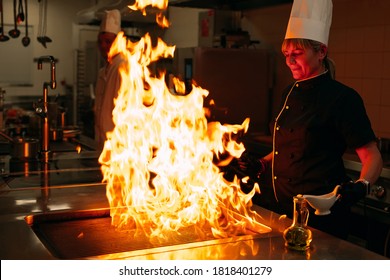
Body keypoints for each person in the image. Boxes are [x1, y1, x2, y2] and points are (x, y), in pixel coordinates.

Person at [240, 0, 383, 239]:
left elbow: (372, 155)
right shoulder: (290, 92)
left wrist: (361, 186)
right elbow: (287, 149)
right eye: (286, 54)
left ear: (321, 52)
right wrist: (261, 163)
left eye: (297, 54)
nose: (289, 61)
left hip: (321, 218)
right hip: (280, 212)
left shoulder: (342, 98)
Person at [94, 9, 127, 151]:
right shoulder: (103, 71)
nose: (103, 46)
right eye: (100, 42)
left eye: (108, 41)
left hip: (119, 145)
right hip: (102, 143)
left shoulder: (123, 67)